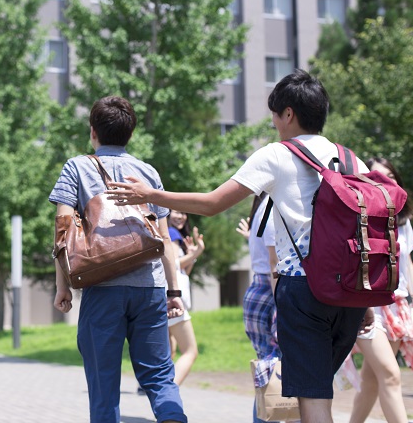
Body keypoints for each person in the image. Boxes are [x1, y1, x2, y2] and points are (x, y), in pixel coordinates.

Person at [106, 70, 373, 423]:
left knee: (312, 398)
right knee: (321, 386)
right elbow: (366, 236)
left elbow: (213, 202)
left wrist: (152, 195)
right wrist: (364, 300)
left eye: (276, 115)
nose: (275, 123)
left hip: (304, 288)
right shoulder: (354, 161)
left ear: (289, 114)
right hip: (351, 291)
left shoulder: (277, 155)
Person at [49, 95, 187, 423]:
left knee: (103, 385)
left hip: (102, 288)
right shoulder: (147, 171)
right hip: (150, 289)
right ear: (130, 133)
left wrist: (62, 286)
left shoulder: (77, 167)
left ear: (93, 132)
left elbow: (62, 228)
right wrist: (174, 291)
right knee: (159, 377)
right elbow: (164, 238)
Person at [348, 157, 413, 423]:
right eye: (377, 177)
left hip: (398, 304)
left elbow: (407, 265)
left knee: (373, 378)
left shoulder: (404, 222)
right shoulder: (357, 218)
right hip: (367, 306)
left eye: (390, 177)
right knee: (390, 374)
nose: (385, 183)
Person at [237, 193, 284, 423]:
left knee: (269, 372)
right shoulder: (274, 204)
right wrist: (283, 307)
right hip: (272, 290)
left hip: (260, 289)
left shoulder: (263, 205)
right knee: (275, 373)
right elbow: (275, 262)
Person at [166, 211, 202, 386]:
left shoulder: (175, 235)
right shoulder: (170, 233)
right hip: (173, 299)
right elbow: (174, 263)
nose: (179, 216)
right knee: (190, 351)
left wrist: (192, 255)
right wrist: (198, 252)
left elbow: (184, 270)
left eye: (183, 213)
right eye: (176, 212)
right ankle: (167, 394)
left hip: (166, 296)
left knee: (168, 350)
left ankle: (156, 389)